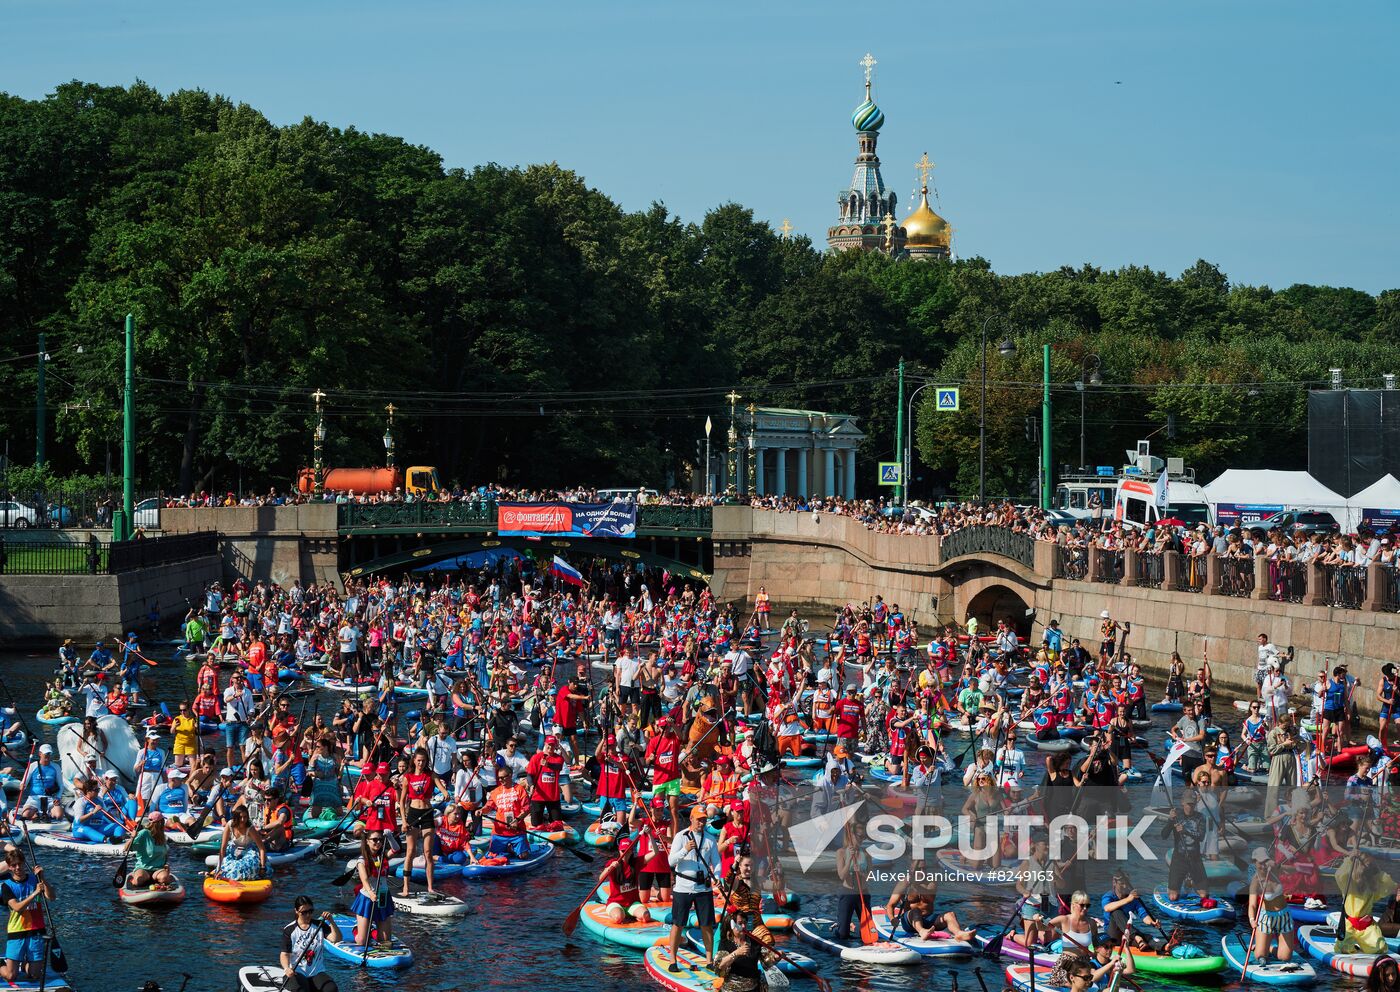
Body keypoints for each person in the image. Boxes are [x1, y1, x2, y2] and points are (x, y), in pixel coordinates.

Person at [667, 805, 719, 972]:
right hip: (683, 887)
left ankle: (709, 960)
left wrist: (718, 876)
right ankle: (672, 960)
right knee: (678, 924)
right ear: (691, 819)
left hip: (703, 888)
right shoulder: (680, 837)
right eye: (699, 819)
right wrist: (685, 850)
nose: (701, 823)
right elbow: (671, 861)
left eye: (704, 819)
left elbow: (717, 862)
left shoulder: (710, 839)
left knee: (707, 925)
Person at [0, 847, 52, 984]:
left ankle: (24, 964)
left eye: (20, 864)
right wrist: (35, 893)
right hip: (17, 931)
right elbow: (17, 908)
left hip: (36, 930)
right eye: (14, 865)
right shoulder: (6, 886)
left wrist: (43, 879)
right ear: (10, 868)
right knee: (11, 976)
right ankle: (1, 963)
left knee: (35, 975)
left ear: (24, 863)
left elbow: (51, 897)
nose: (18, 867)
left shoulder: (35, 880)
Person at [398, 748, 442, 897]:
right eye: (418, 760)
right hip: (413, 814)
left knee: (428, 853)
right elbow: (402, 801)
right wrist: (404, 821)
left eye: (423, 761)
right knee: (410, 852)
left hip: (427, 813)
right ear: (414, 761)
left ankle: (430, 887)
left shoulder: (430, 774)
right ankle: (406, 887)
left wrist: (446, 793)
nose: (421, 763)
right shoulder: (408, 777)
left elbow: (441, 786)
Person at [280, 895, 342, 992]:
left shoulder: (319, 925)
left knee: (332, 989)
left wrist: (332, 921)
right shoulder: (290, 930)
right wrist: (287, 969)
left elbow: (336, 939)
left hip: (317, 972)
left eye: (310, 911)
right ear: (296, 911)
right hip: (297, 972)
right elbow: (284, 954)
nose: (308, 915)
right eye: (304, 912)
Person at [1245, 848, 1297, 963]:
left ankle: (1269, 947)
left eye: (1265, 862)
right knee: (1261, 957)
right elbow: (1252, 905)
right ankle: (1261, 948)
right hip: (1266, 917)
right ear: (1255, 862)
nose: (1263, 866)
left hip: (1284, 916)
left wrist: (1278, 866)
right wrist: (1252, 919)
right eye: (1260, 863)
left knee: (1285, 958)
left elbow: (1294, 870)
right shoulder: (1255, 881)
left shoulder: (1275, 870)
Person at [350, 831, 394, 950]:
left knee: (385, 940)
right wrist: (371, 893)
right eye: (375, 840)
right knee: (361, 942)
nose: (378, 842)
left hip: (383, 896)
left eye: (380, 839)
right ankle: (356, 929)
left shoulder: (383, 856)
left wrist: (389, 837)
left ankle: (373, 930)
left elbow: (396, 849)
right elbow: (364, 880)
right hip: (367, 898)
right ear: (367, 841)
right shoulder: (362, 860)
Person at [1162, 792, 1208, 903]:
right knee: (1173, 897)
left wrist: (1185, 831)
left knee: (1204, 895)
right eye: (1188, 804)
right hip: (1179, 859)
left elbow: (1201, 837)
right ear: (1182, 803)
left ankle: (1190, 883)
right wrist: (1170, 820)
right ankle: (1185, 883)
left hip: (1195, 858)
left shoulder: (1200, 817)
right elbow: (1163, 835)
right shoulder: (1176, 815)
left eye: (1192, 804)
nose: (1190, 807)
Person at [127, 812, 174, 890]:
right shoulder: (144, 833)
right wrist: (132, 838)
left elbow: (165, 853)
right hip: (143, 868)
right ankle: (134, 878)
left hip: (158, 869)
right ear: (159, 823)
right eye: (162, 821)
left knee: (164, 878)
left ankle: (155, 880)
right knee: (139, 881)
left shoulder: (162, 835)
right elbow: (126, 849)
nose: (164, 823)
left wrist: (165, 864)